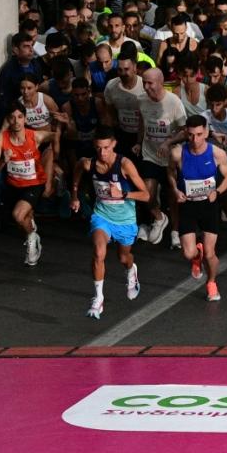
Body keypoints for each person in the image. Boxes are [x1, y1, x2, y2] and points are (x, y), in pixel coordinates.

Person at [70, 128, 149, 319]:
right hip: (102, 216)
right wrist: (74, 195)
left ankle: (131, 270)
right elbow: (77, 172)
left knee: (124, 258)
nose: (102, 152)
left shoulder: (125, 165)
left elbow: (146, 195)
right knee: (99, 252)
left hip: (125, 221)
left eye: (106, 147)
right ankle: (98, 298)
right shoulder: (88, 163)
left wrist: (123, 194)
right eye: (98, 148)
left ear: (113, 144)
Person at [167, 115, 227, 301]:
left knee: (210, 254)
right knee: (188, 253)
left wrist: (217, 192)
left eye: (199, 134)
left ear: (206, 132)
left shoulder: (217, 153)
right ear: (186, 133)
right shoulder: (178, 153)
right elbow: (170, 172)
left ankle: (211, 283)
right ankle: (197, 256)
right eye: (191, 135)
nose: (195, 139)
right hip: (188, 205)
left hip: (209, 205)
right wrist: (175, 190)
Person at [0, 105, 57, 266]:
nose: (16, 121)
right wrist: (3, 161)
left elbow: (55, 136)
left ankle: (33, 239)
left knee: (18, 215)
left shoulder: (35, 136)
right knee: (25, 219)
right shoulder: (1, 139)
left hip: (34, 184)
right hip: (13, 186)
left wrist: (62, 126)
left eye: (20, 117)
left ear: (25, 119)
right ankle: (32, 234)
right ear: (8, 120)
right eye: (12, 117)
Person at [138, 67, 185, 247]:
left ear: (161, 82)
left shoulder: (174, 102)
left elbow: (185, 131)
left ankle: (175, 231)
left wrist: (168, 142)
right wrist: (138, 142)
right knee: (146, 193)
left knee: (173, 196)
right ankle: (159, 218)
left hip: (170, 158)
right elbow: (142, 123)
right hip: (150, 154)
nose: (146, 87)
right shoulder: (141, 99)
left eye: (150, 83)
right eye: (144, 83)